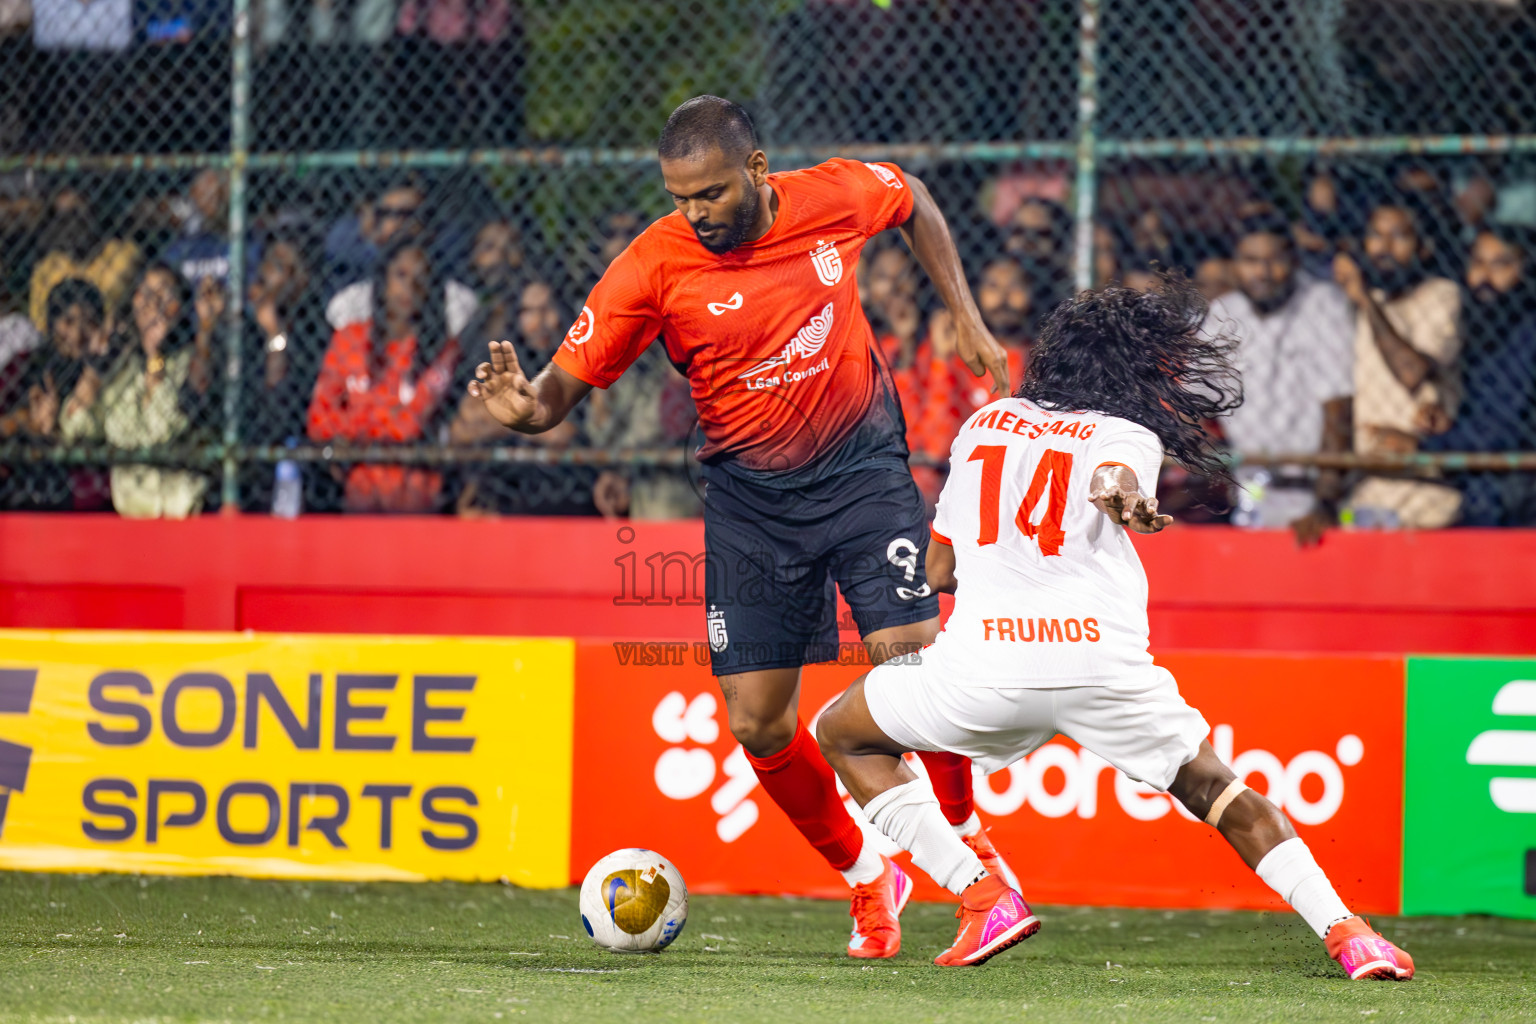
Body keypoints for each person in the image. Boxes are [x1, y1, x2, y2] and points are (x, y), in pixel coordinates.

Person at [467, 95, 1015, 958]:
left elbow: (910, 195)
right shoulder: (651, 265)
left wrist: (967, 316)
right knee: (759, 724)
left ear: (757, 170)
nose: (698, 213)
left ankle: (963, 832)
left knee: (909, 659)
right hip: (753, 509)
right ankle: (871, 877)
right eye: (682, 198)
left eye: (713, 193)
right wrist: (526, 410)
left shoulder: (830, 196)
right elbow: (556, 393)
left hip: (865, 471)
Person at [815, 278, 1415, 980]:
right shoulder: (1129, 434)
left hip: (984, 673)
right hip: (1103, 670)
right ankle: (1349, 934)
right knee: (1221, 793)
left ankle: (982, 895)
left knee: (841, 731)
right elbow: (1114, 477)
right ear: (1137, 370)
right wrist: (1121, 498)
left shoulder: (985, 424)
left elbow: (940, 567)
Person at [1206, 213, 1354, 543]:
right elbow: (1191, 408)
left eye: (1275, 261)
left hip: (1312, 486)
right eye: (1251, 261)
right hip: (1246, 487)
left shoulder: (1323, 304)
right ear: (1234, 266)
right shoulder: (1222, 314)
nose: (1263, 273)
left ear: (1295, 261)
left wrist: (1325, 502)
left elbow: (1338, 408)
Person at [308, 239, 472, 513]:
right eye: (401, 275)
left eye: (422, 278)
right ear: (383, 281)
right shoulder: (350, 338)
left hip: (416, 491)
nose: (410, 287)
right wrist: (375, 422)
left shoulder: (443, 351)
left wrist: (352, 431)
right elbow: (319, 417)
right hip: (357, 487)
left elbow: (408, 425)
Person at [1334, 202, 1463, 529]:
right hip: (1366, 482)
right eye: (1376, 236)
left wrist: (1365, 302)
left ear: (1423, 248)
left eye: (1399, 237)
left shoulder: (1440, 294)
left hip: (1424, 487)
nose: (1385, 248)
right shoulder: (1360, 301)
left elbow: (1411, 372)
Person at [61, 264, 220, 517]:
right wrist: (96, 364)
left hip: (181, 516)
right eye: (145, 293)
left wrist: (154, 354)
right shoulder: (122, 367)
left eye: (164, 294)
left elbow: (161, 428)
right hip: (130, 515)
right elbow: (76, 426)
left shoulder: (190, 362)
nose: (153, 304)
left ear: (180, 307)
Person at [1420, 226, 1536, 525]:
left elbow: (1502, 428)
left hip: (1514, 489)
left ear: (1524, 271)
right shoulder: (1469, 325)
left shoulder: (1527, 333)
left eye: (1501, 264)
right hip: (1475, 481)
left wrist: (1421, 446)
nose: (1485, 277)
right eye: (1478, 263)